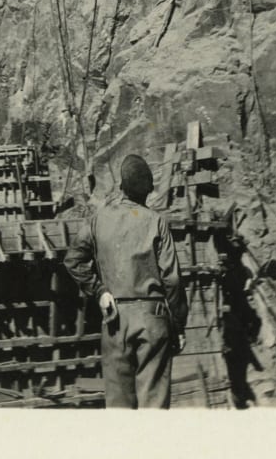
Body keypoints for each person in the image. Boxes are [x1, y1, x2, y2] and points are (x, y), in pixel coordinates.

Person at [64, 152, 187, 409]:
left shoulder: (98, 219)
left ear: (121, 186)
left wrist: (99, 291)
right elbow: (172, 280)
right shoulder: (156, 222)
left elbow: (73, 260)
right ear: (148, 191)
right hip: (153, 319)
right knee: (153, 410)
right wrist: (178, 324)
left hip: (115, 319)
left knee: (119, 410)